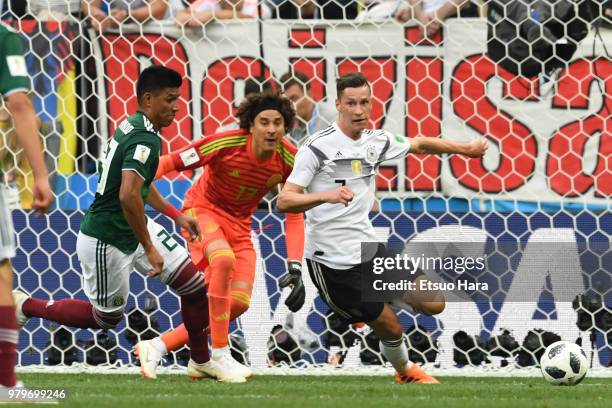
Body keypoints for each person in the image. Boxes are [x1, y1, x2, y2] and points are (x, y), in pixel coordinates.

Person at [11, 66, 228, 381]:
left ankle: (201, 361)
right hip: (107, 238)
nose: (176, 107)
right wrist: (150, 248)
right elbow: (128, 195)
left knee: (193, 287)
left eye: (178, 99)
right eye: (170, 100)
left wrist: (174, 214)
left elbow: (138, 184)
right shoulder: (144, 137)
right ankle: (27, 306)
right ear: (148, 99)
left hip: (132, 226)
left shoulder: (136, 125)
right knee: (105, 319)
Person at [277, 72, 488, 384]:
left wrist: (465, 149)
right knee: (392, 327)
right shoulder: (317, 147)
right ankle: (405, 372)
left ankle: (372, 303)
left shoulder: (376, 142)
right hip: (332, 263)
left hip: (368, 250)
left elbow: (420, 144)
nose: (359, 110)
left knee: (434, 302)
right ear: (338, 105)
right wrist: (327, 196)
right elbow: (285, 200)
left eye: (364, 102)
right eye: (351, 103)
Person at [135, 92, 305, 382]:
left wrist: (295, 265)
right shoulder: (226, 143)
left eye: (278, 123)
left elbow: (294, 212)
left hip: (240, 226)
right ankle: (220, 354)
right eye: (264, 122)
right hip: (202, 212)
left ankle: (158, 346)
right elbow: (172, 161)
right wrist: (133, 178)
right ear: (250, 126)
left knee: (237, 302)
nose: (271, 129)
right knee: (223, 260)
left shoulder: (289, 158)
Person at [0, 21, 54, 396]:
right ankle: (6, 385)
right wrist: (40, 175)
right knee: (2, 277)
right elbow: (19, 103)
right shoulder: (3, 35)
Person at [280, 71, 336, 147]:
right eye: (285, 101)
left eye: (294, 98)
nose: (290, 105)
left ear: (309, 94)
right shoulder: (286, 127)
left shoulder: (332, 119)